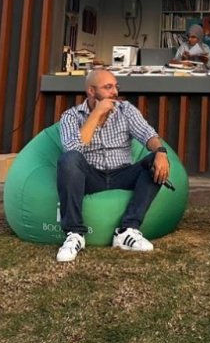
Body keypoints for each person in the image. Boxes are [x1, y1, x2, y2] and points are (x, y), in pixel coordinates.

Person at [55, 68, 171, 262]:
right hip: (90, 176)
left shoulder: (126, 110)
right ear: (91, 91)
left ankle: (127, 231)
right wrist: (97, 113)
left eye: (116, 87)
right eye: (108, 87)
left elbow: (148, 134)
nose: (114, 92)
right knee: (69, 160)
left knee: (155, 160)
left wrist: (160, 151)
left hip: (122, 173)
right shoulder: (71, 116)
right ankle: (74, 234)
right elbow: (72, 148)